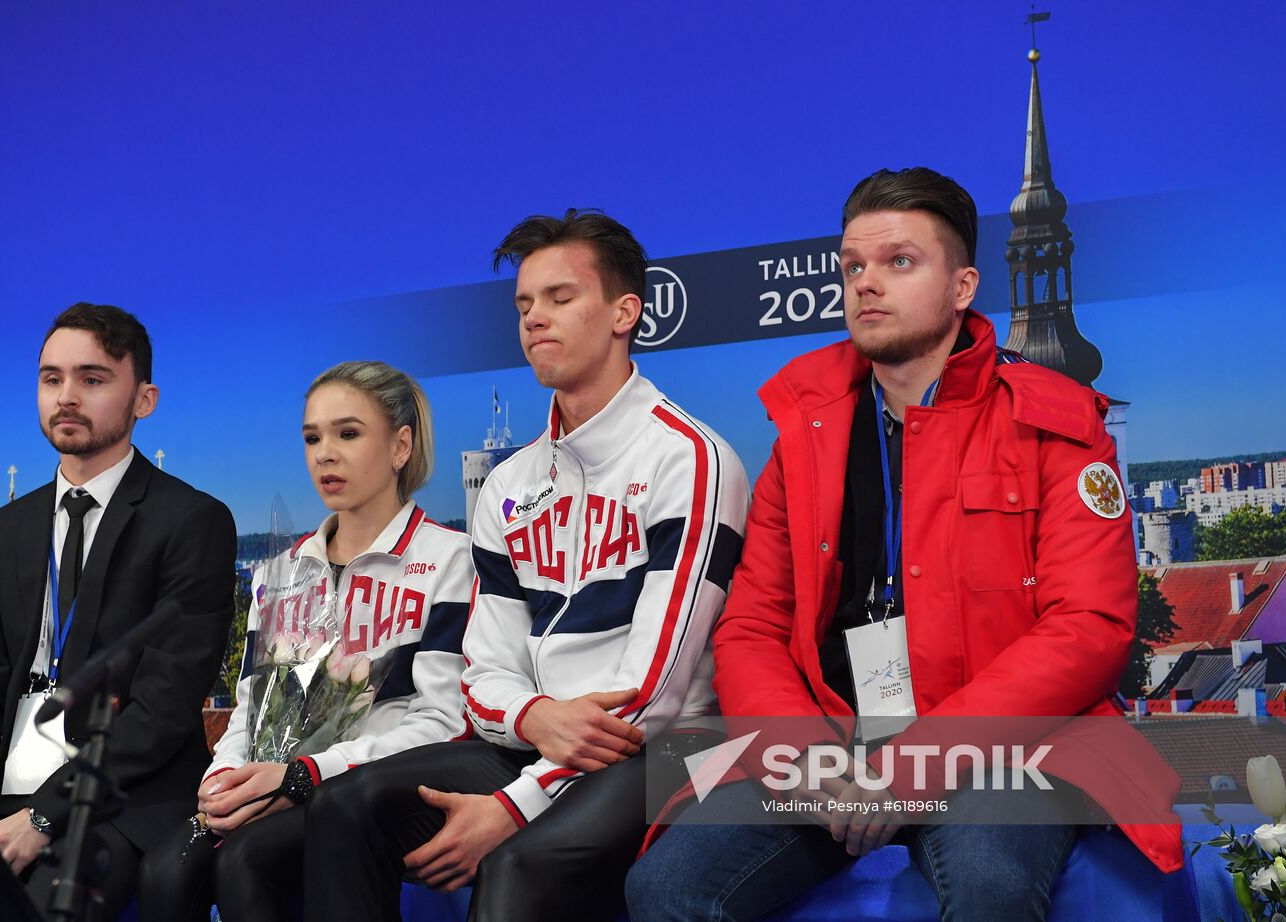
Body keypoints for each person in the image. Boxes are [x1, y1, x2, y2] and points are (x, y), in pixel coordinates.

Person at [625, 167, 1182, 921]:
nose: (866, 284)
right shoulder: (804, 426)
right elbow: (752, 625)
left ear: (962, 287)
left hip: (1007, 748)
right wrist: (804, 761)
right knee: (663, 887)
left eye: (899, 262)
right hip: (830, 735)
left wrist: (915, 764)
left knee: (989, 880)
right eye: (853, 266)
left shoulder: (1057, 421)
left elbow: (1088, 630)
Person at [303, 210, 749, 922]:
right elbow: (485, 672)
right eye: (524, 304)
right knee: (345, 808)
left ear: (624, 312)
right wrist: (536, 715)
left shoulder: (691, 459)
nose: (535, 318)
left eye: (560, 298)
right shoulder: (509, 485)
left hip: (663, 751)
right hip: (535, 738)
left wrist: (515, 805)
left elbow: (654, 693)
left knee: (516, 868)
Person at [137, 360, 473, 922]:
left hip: (371, 791)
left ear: (400, 447)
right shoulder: (279, 573)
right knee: (164, 873)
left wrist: (307, 775)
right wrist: (226, 782)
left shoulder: (448, 560)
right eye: (312, 438)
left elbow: (442, 722)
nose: (324, 454)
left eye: (348, 434)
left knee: (249, 861)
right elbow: (249, 707)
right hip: (270, 786)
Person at [0, 303, 238, 916]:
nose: (67, 395)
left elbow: (164, 707)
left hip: (118, 799)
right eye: (52, 378)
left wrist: (44, 817)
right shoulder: (4, 530)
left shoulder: (190, 521)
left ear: (143, 399)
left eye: (92, 379)